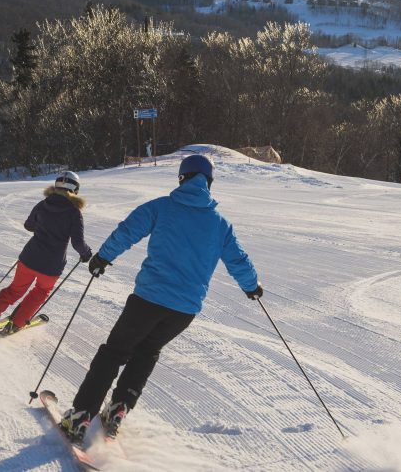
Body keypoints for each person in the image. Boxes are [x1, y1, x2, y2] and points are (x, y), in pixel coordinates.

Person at [59, 154, 263, 442]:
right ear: (209, 182)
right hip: (183, 311)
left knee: (115, 352)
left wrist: (103, 257)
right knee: (147, 352)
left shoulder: (162, 207)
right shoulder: (220, 224)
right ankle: (118, 409)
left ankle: (80, 417)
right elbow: (238, 260)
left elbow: (129, 229)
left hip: (148, 300)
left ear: (182, 177)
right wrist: (251, 286)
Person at [0, 171, 92, 335]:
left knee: (14, 290)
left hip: (29, 258)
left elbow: (29, 225)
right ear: (75, 189)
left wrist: (43, 227)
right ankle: (16, 323)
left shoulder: (43, 204)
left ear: (56, 186)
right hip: (51, 266)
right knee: (40, 292)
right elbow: (77, 243)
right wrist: (86, 254)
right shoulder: (74, 212)